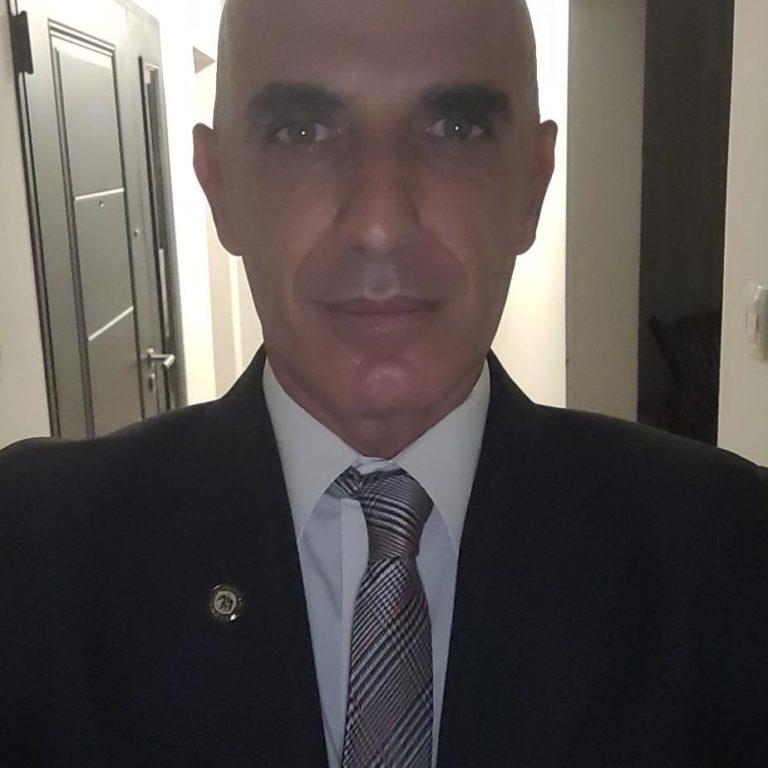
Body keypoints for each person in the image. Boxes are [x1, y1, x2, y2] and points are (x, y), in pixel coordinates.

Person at [1, 0, 766, 765]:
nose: (380, 223)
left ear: (534, 186)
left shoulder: (731, 550)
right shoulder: (30, 550)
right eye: (302, 131)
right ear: (219, 184)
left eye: (455, 128)